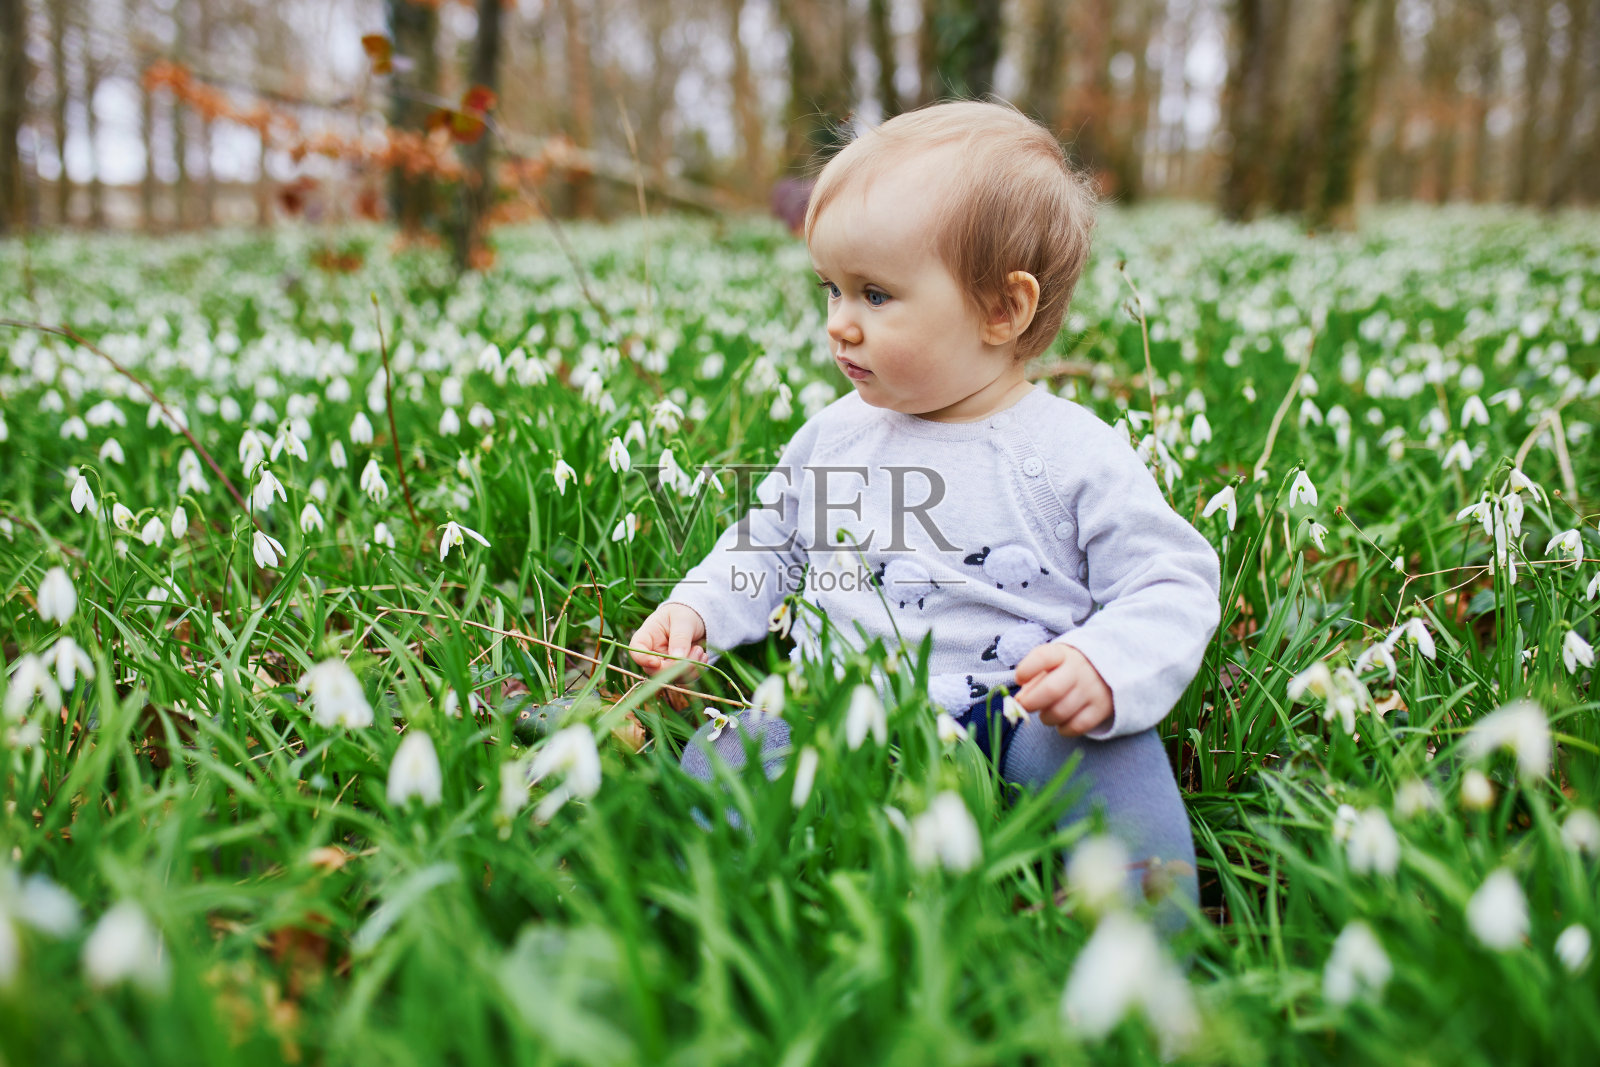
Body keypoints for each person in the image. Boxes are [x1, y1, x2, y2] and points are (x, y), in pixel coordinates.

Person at [627, 100, 1220, 931]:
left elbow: (1172, 576)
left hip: (1023, 713)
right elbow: (771, 542)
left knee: (1116, 762)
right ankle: (697, 924)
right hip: (834, 703)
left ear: (1002, 311)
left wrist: (1106, 663)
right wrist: (696, 605)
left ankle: (1144, 947)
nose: (839, 322)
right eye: (830, 288)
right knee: (726, 754)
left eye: (874, 293)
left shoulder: (1072, 452)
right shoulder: (836, 436)